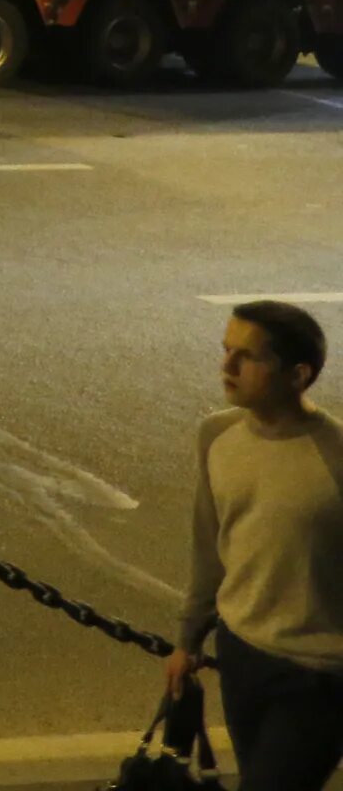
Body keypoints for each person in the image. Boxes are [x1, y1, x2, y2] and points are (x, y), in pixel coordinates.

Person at [168, 301, 343, 791]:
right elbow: (210, 546)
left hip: (319, 676)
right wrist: (188, 640)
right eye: (226, 350)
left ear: (297, 374)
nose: (227, 367)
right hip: (242, 653)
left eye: (247, 356)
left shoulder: (337, 457)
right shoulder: (217, 435)